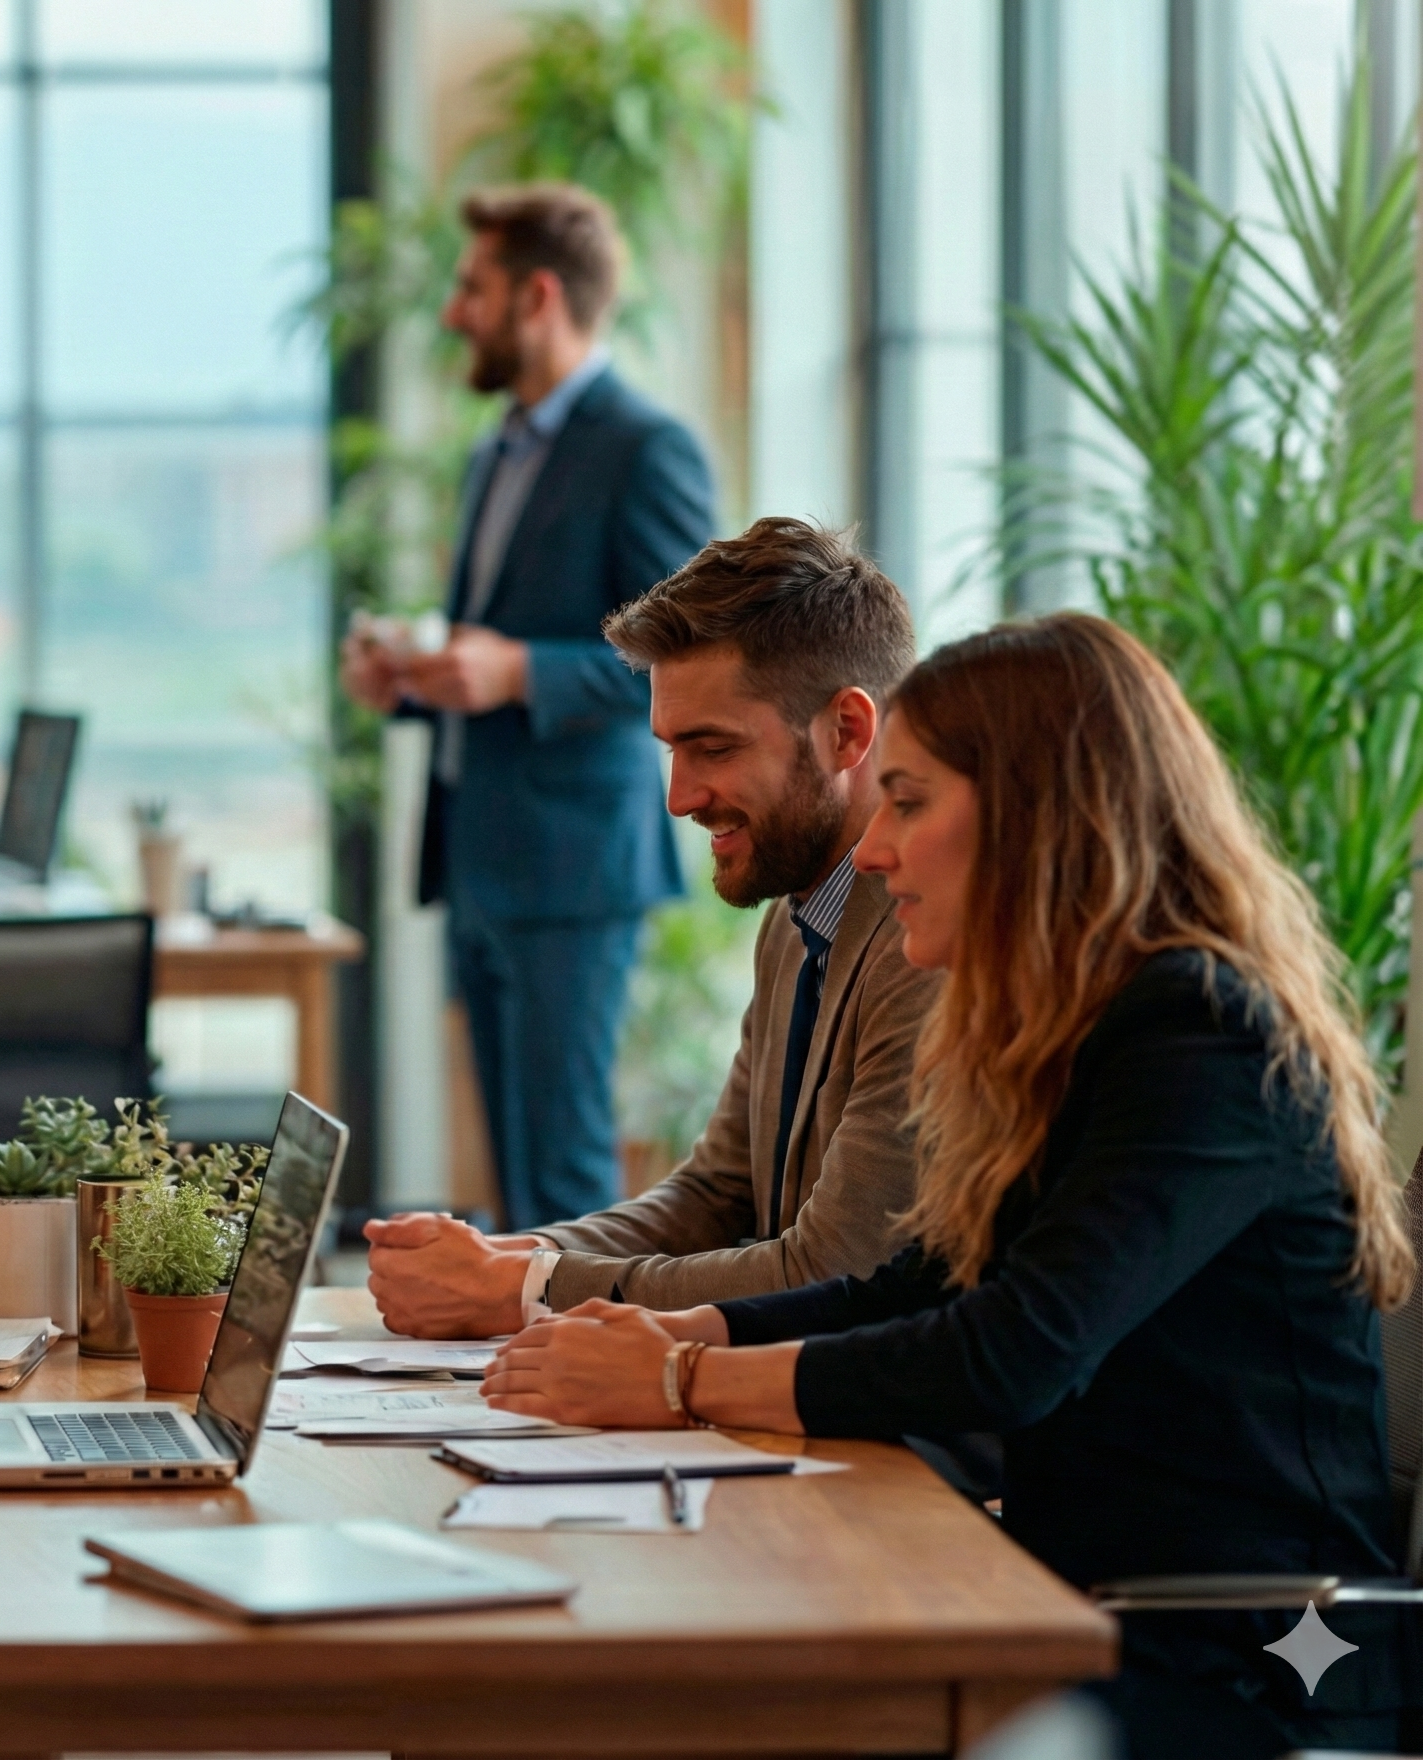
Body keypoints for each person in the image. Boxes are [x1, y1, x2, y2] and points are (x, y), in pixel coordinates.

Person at [481, 613, 1414, 1759]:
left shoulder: (1201, 1029)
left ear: (1040, 817)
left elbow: (1009, 1350)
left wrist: (680, 1377)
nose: (871, 850)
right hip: (1072, 1606)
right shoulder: (1071, 1025)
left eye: (907, 802)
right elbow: (918, 1281)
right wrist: (673, 1325)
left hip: (1250, 1660)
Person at [366, 519, 938, 1332]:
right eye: (671, 749)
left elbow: (833, 1270)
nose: (679, 798)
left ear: (847, 730)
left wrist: (524, 1289)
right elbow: (717, 1195)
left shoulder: (931, 945)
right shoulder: (799, 917)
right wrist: (505, 1261)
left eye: (712, 748)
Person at [339, 183, 713, 1231]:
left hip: (571, 865)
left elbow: (693, 655)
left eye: (471, 288)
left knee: (560, 1167)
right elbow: (499, 639)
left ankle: (581, 1386)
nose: (452, 312)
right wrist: (414, 678)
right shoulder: (494, 449)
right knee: (511, 1170)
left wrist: (519, 673)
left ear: (536, 295)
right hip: (479, 855)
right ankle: (507, 1382)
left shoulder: (643, 446)